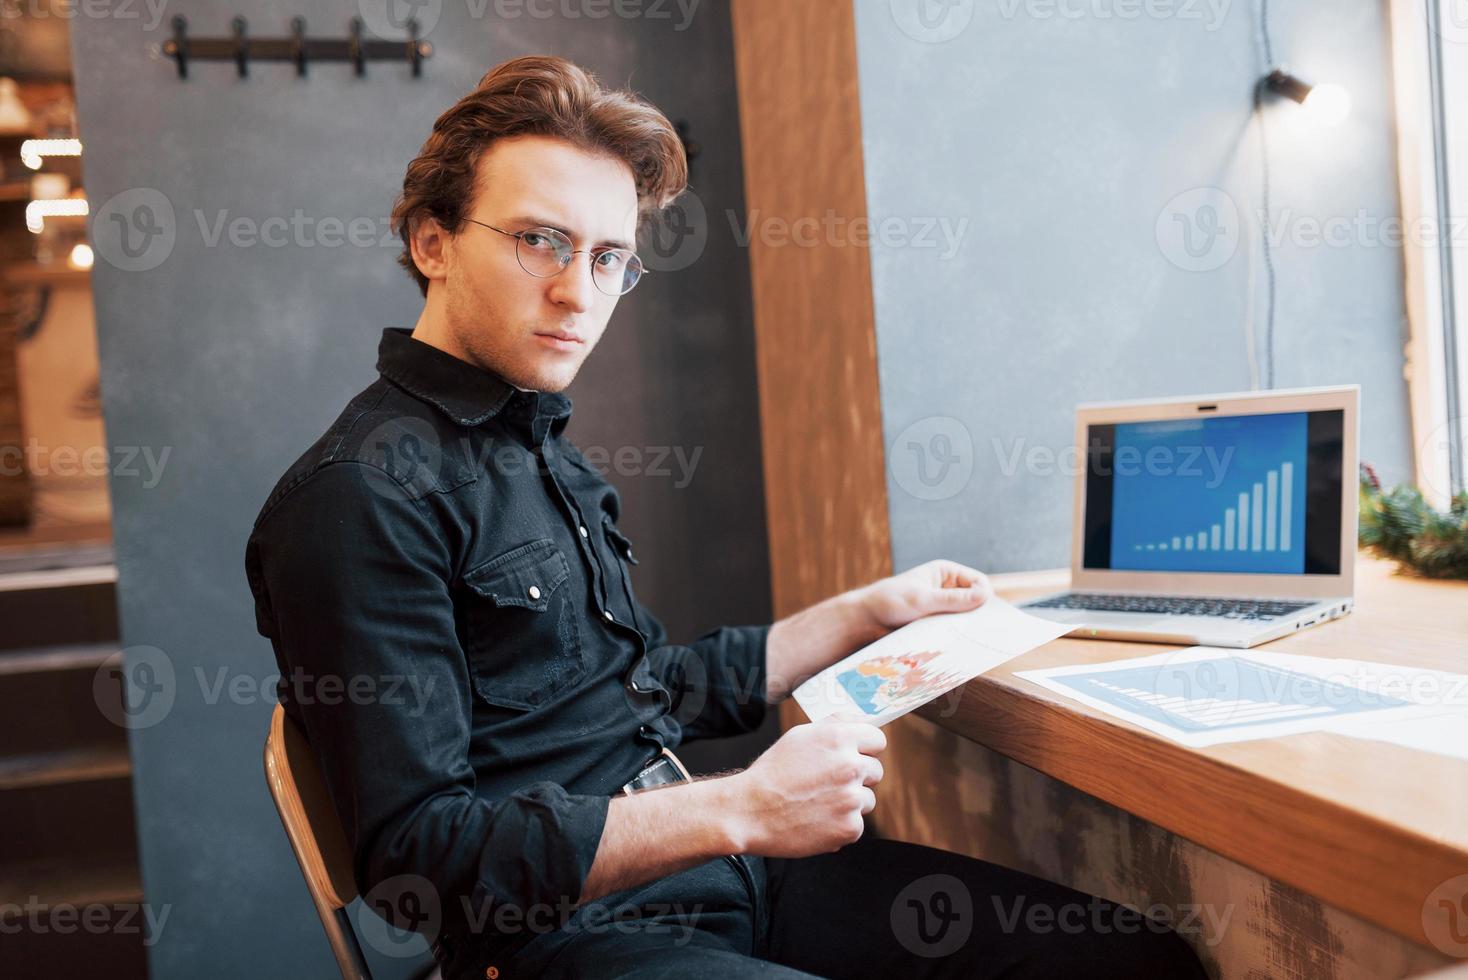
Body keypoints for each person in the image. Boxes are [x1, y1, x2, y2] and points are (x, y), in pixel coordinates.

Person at [244, 55, 1207, 980]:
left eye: (609, 256)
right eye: (540, 240)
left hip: (720, 873)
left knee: (1129, 960)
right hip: (563, 942)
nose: (579, 293)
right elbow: (421, 865)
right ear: (433, 242)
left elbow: (649, 689)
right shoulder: (357, 499)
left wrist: (870, 612)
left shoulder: (535, 444)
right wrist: (741, 808)